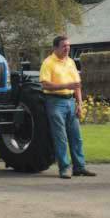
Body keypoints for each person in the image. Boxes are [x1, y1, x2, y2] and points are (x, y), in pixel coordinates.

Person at [40, 35, 96, 179]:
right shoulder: (48, 63)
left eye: (69, 46)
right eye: (64, 46)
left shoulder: (70, 62)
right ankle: (64, 168)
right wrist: (66, 85)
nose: (67, 48)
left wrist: (79, 103)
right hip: (55, 102)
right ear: (55, 48)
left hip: (70, 102)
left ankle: (79, 167)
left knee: (76, 137)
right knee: (61, 137)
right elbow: (45, 84)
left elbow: (77, 84)